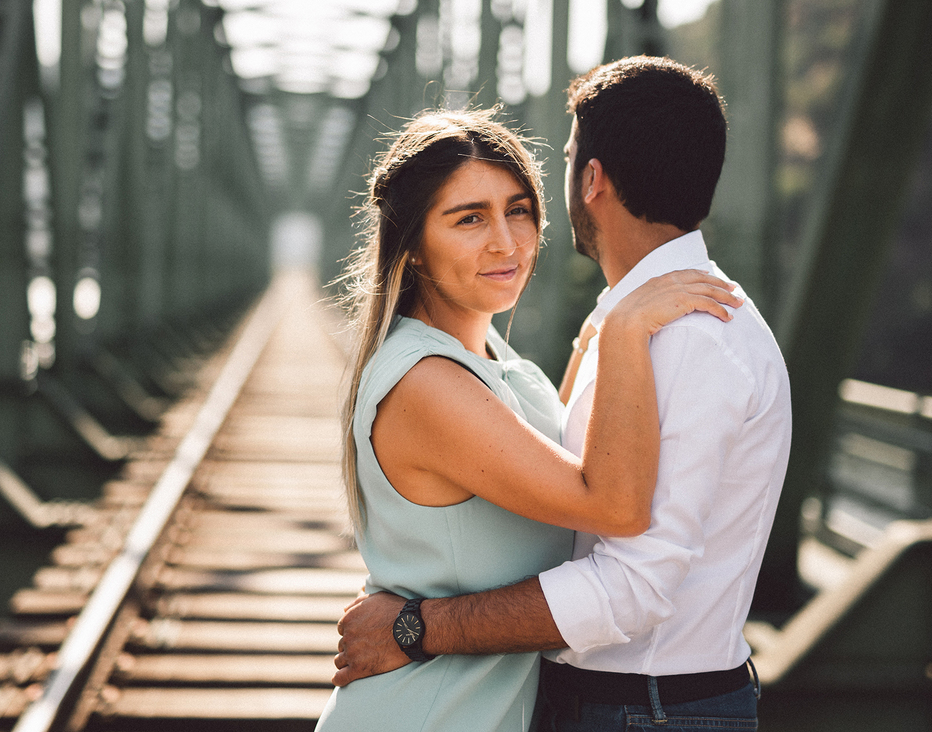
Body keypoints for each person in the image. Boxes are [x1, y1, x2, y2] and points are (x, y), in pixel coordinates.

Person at [333, 56, 792, 731]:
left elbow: (619, 557)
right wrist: (617, 325)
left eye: (519, 210)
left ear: (592, 179)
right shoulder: (435, 377)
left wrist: (415, 626)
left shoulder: (678, 336)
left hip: (641, 709)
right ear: (416, 247)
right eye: (468, 219)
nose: (507, 241)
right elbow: (595, 501)